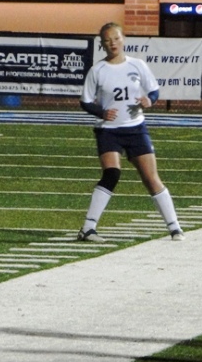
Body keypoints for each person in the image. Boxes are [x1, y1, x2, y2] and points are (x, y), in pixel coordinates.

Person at [77, 22, 184, 242]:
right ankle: (88, 228)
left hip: (136, 128)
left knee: (151, 178)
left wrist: (149, 100)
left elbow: (153, 91)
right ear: (102, 44)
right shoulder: (97, 70)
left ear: (123, 39)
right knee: (112, 173)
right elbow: (85, 101)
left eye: (116, 38)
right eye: (107, 40)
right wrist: (102, 112)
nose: (112, 43)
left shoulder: (137, 65)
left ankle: (174, 227)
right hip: (109, 131)